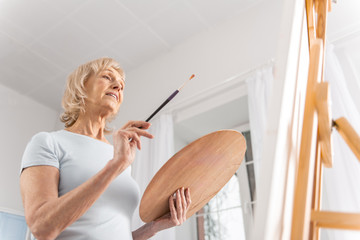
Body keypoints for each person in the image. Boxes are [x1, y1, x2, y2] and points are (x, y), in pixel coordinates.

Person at [20, 58, 191, 240]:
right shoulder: (48, 142)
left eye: (122, 86)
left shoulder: (119, 155)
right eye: (108, 77)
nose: (118, 85)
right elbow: (41, 228)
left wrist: (154, 227)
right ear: (82, 86)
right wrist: (115, 165)